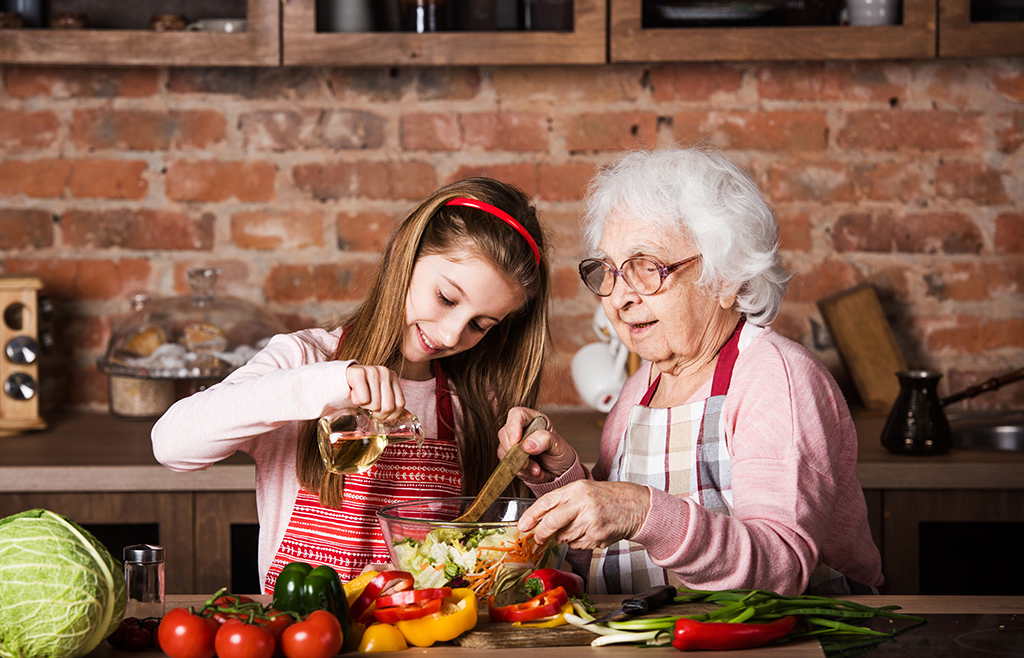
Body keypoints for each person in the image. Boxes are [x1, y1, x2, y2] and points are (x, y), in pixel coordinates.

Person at [498, 147, 883, 596]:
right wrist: (563, 481)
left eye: (646, 268)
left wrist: (642, 512)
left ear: (725, 278)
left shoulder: (775, 379)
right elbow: (606, 561)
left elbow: (782, 570)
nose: (620, 297)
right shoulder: (639, 390)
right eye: (609, 271)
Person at [152, 177, 550, 591]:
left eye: (479, 325)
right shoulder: (306, 361)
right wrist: (327, 384)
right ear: (403, 254)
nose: (451, 335)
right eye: (446, 299)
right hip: (307, 639)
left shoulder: (471, 405)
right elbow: (170, 445)